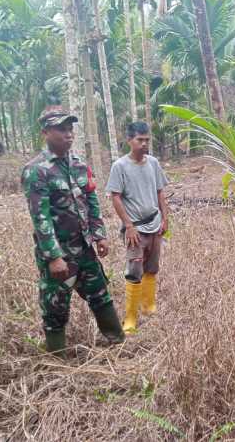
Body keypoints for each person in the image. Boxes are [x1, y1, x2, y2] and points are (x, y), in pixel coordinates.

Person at [21, 108, 124, 357]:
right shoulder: (37, 170)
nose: (68, 134)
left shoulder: (79, 165)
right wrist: (54, 256)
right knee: (55, 306)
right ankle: (57, 358)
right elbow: (40, 217)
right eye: (61, 129)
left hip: (85, 248)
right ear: (45, 132)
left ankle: (118, 341)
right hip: (60, 252)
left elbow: (91, 201)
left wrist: (99, 234)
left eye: (70, 129)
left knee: (100, 294)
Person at [106, 121, 169, 334]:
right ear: (129, 141)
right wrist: (129, 225)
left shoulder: (153, 163)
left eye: (147, 140)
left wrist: (165, 218)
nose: (144, 144)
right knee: (134, 271)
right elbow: (116, 197)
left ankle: (149, 306)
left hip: (155, 223)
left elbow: (160, 191)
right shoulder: (120, 166)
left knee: (152, 266)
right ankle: (130, 318)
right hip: (135, 229)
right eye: (139, 140)